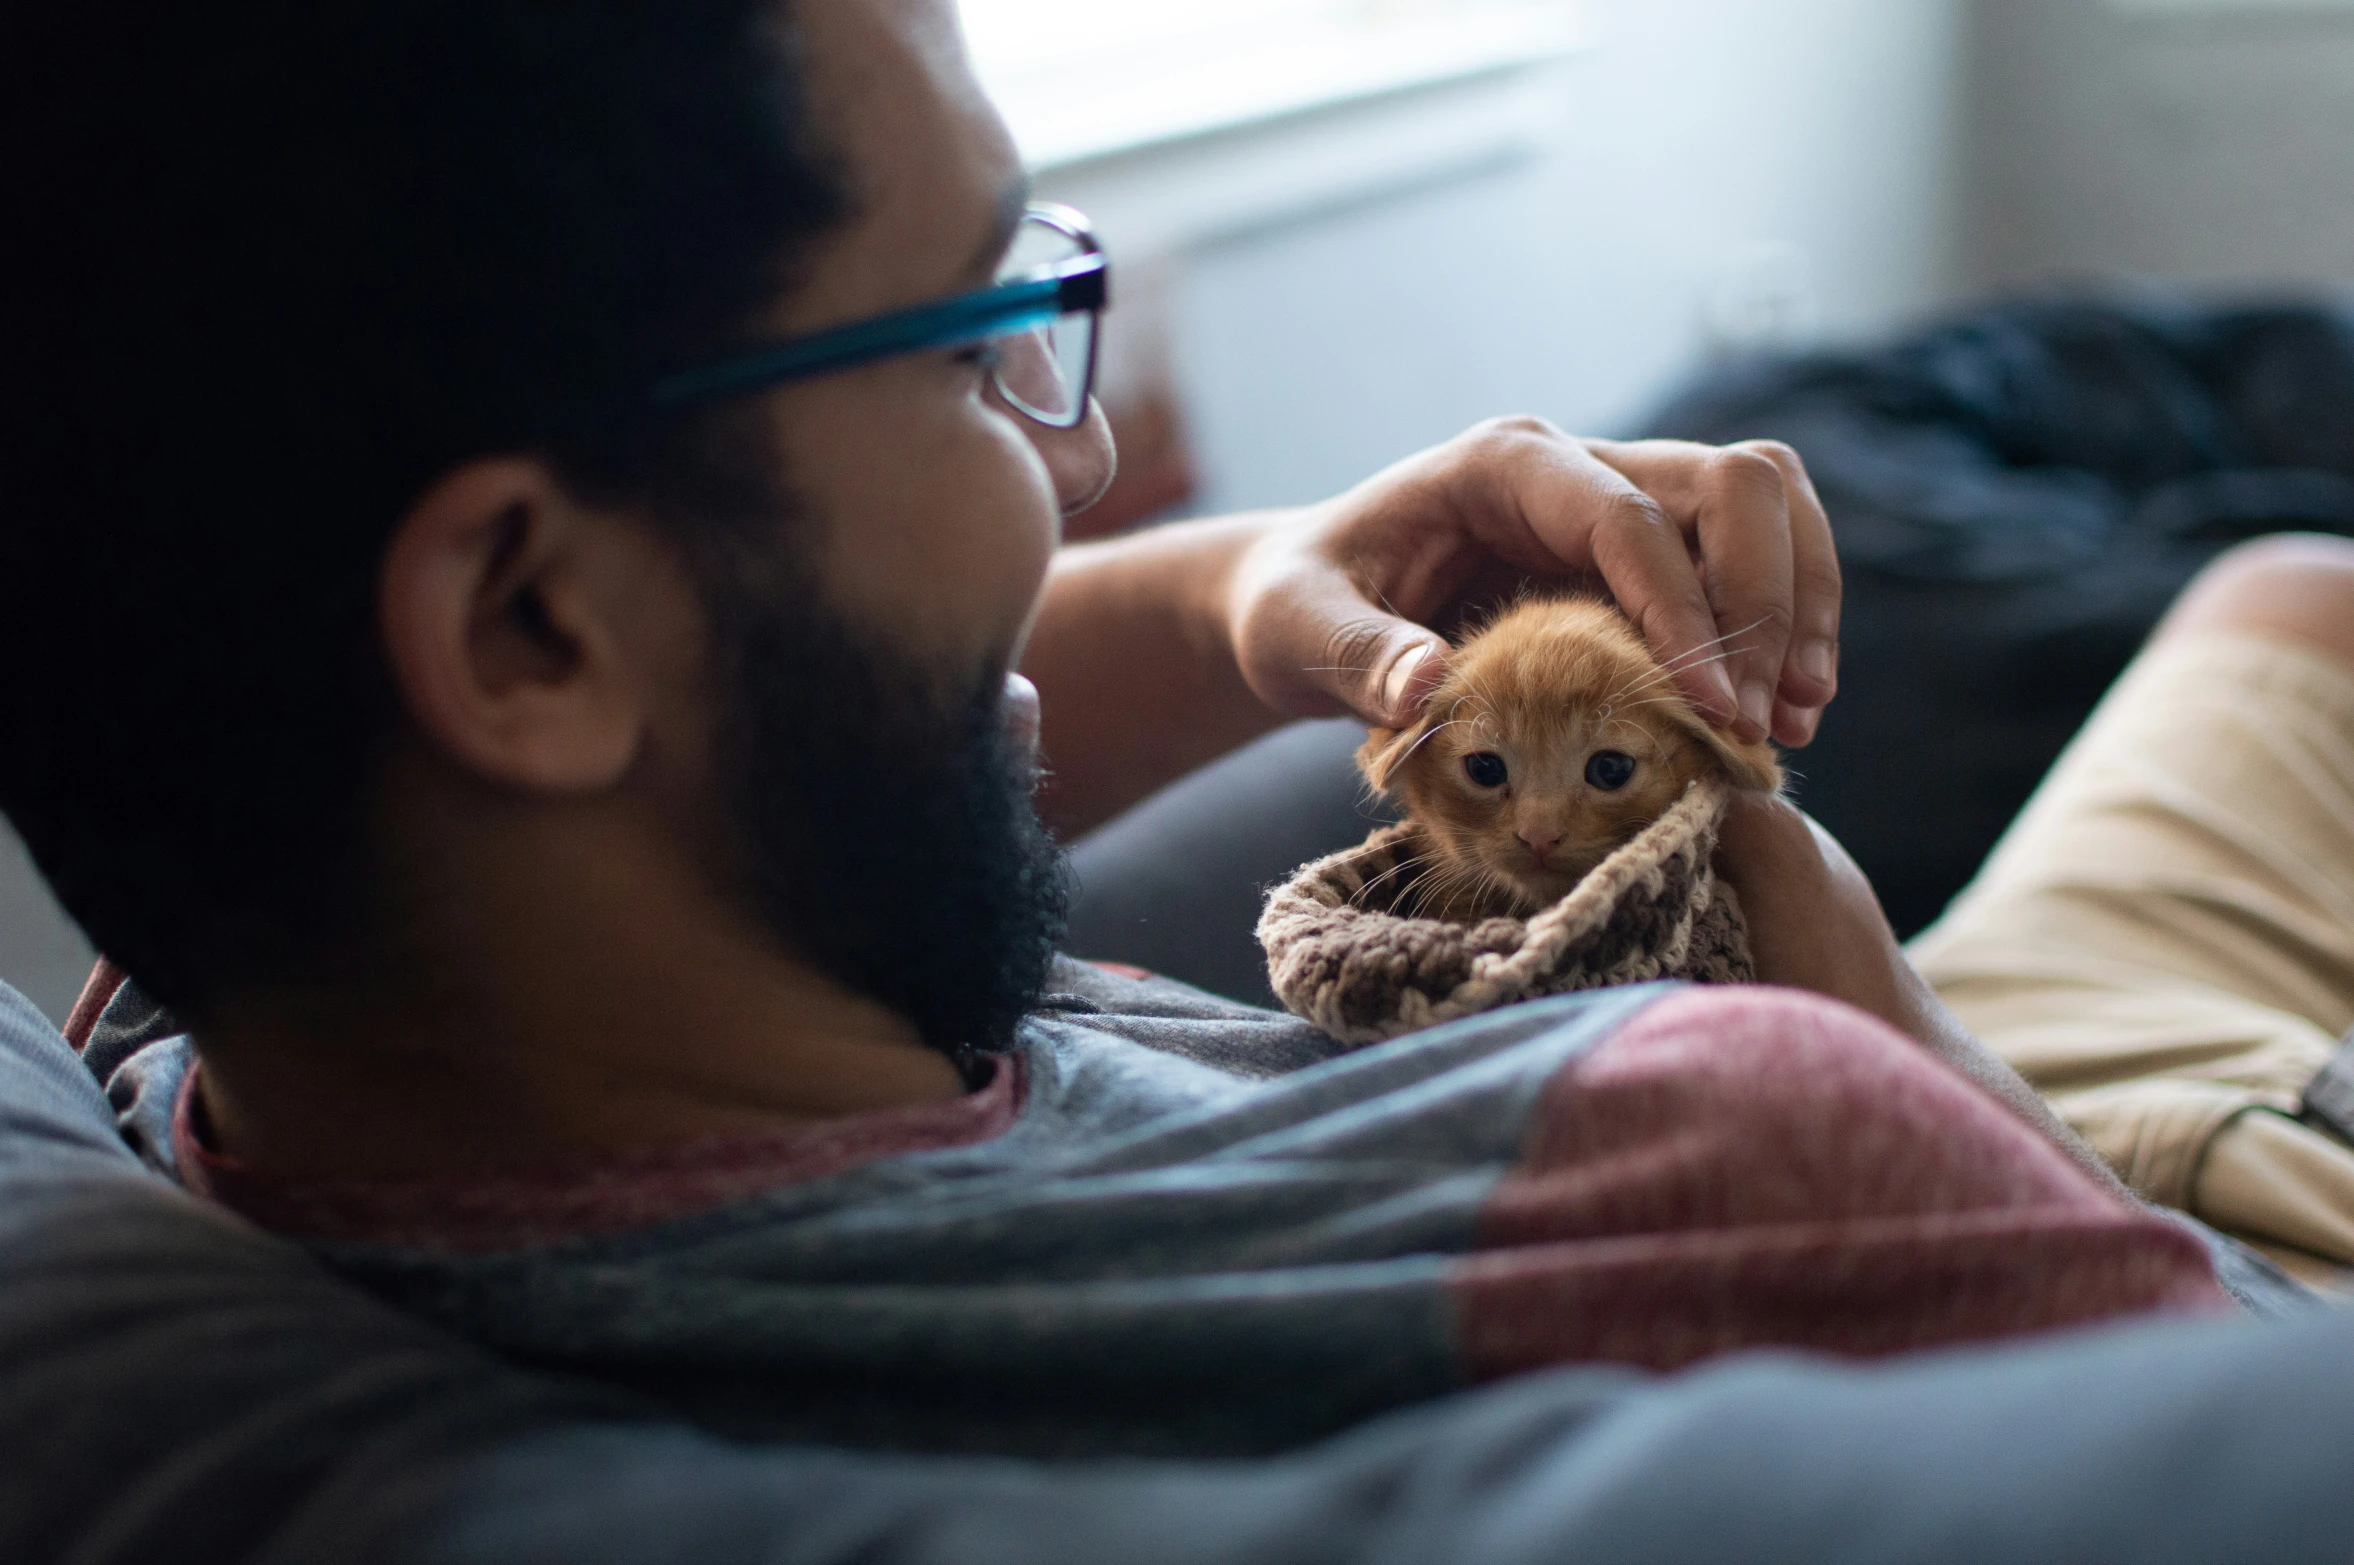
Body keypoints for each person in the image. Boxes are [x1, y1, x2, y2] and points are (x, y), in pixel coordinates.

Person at [0, 0, 2344, 1559]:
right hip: (2163, 1191)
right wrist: (1878, 1020)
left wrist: (1249, 597)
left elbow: (770, 719)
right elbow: (2228, 1357)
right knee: (2292, 591)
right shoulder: (1739, 1137)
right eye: (975, 336)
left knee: (2281, 604)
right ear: (527, 621)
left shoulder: (179, 1028)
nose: (1093, 448)